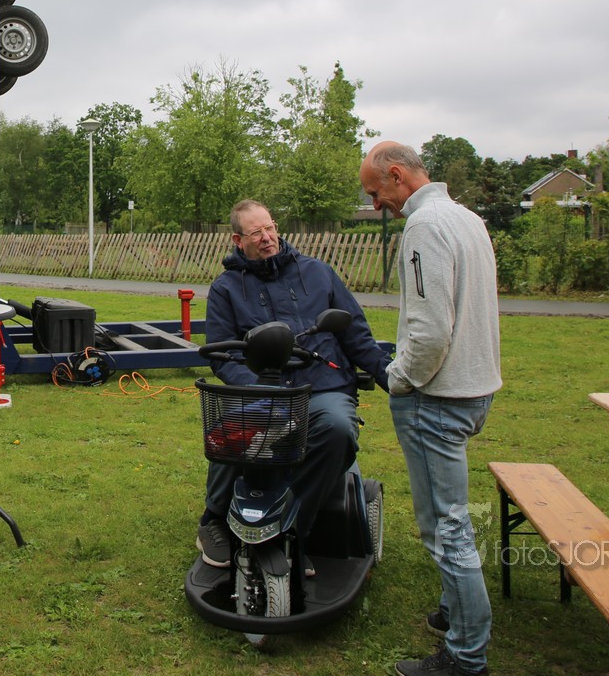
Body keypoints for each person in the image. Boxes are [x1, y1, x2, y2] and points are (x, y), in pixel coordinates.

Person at [361, 141, 502, 676]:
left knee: (446, 527)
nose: (375, 204)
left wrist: (397, 379)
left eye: (375, 192)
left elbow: (430, 331)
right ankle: (453, 608)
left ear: (397, 175)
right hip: (475, 390)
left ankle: (466, 657)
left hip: (436, 399)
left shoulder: (423, 227)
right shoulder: (467, 218)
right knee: (452, 518)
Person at [199, 200, 392, 578]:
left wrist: (390, 377)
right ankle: (214, 518)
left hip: (320, 386)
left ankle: (290, 526)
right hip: (263, 390)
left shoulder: (318, 273)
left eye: (270, 227)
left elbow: (356, 335)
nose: (267, 237)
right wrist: (258, 387)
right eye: (256, 232)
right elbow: (222, 355)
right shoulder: (226, 289)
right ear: (238, 240)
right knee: (228, 431)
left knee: (338, 428)